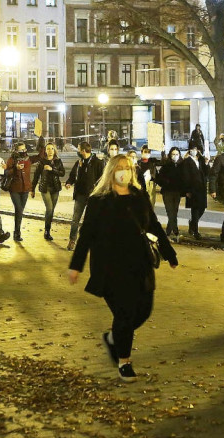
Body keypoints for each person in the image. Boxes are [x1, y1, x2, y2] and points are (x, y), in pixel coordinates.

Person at [68, 154, 178, 382]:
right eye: (118, 168)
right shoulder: (99, 200)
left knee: (143, 311)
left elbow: (154, 225)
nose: (123, 172)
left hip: (140, 264)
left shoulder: (139, 196)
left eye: (127, 168)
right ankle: (124, 361)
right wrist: (76, 266)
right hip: (111, 267)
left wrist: (169, 253)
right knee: (125, 314)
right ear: (110, 171)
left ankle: (114, 338)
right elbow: (86, 234)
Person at [65, 142, 104, 251]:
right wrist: (69, 182)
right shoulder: (79, 163)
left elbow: (101, 179)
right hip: (80, 195)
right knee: (75, 219)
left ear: (83, 151)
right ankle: (72, 240)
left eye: (78, 149)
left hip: (92, 196)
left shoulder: (97, 163)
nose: (77, 151)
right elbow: (73, 175)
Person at [32, 142, 65, 242]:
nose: (50, 151)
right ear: (45, 151)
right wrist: (32, 189)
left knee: (51, 211)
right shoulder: (41, 162)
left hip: (55, 188)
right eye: (48, 149)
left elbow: (62, 173)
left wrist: (52, 169)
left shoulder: (58, 161)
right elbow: (36, 176)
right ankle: (47, 231)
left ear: (54, 150)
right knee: (49, 209)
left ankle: (48, 230)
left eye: (51, 149)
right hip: (45, 188)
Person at [4, 142, 33, 242]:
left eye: (24, 149)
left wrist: (42, 144)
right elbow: (6, 172)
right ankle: (17, 233)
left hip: (25, 188)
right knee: (19, 209)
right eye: (21, 150)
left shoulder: (28, 159)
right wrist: (15, 169)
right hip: (15, 188)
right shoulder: (12, 159)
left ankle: (17, 233)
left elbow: (40, 157)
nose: (23, 151)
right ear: (16, 150)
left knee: (19, 211)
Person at [156, 147, 186, 243]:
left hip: (177, 192)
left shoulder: (181, 166)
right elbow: (159, 179)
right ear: (170, 155)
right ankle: (176, 233)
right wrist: (166, 182)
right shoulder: (166, 166)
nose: (175, 156)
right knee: (170, 212)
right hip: (167, 192)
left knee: (174, 212)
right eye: (173, 154)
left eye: (177, 154)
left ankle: (168, 234)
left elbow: (184, 179)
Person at [181, 146, 208, 239]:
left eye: (196, 149)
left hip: (202, 189)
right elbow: (185, 176)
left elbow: (206, 172)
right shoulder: (187, 161)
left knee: (202, 208)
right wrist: (187, 190)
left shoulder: (200, 160)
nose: (194, 151)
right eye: (192, 149)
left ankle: (192, 224)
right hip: (193, 189)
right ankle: (196, 231)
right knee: (195, 210)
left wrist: (207, 163)